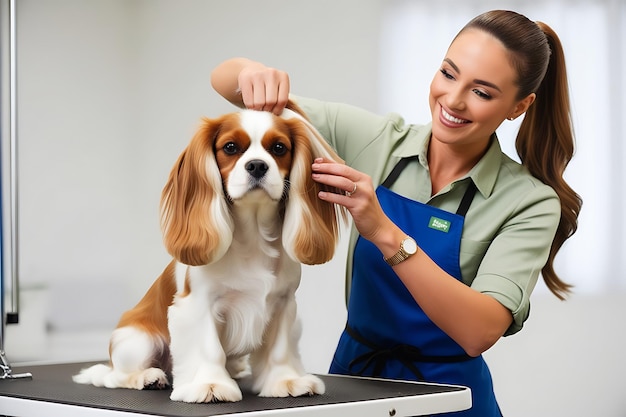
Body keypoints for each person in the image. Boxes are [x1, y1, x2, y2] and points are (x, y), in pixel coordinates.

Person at [210, 9, 582, 416]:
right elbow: (227, 83)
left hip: (452, 399)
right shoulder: (379, 141)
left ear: (518, 106)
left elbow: (479, 331)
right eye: (448, 73)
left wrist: (384, 231)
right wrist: (254, 73)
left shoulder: (529, 202)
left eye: (482, 92)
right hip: (355, 387)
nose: (453, 99)